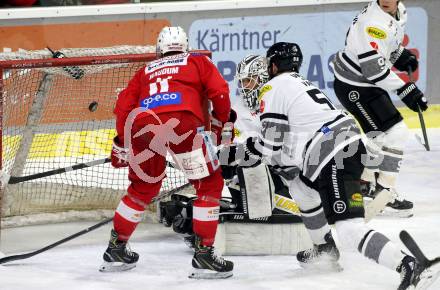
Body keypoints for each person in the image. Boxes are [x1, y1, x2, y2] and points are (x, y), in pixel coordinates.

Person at [220, 42, 438, 290]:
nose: (244, 87)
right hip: (340, 147)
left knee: (349, 230)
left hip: (333, 153)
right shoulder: (295, 84)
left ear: (269, 69)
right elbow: (285, 147)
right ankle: (325, 249)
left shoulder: (273, 87)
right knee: (300, 187)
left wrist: (231, 155)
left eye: (249, 81)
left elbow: (271, 144)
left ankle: (408, 265)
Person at [101, 26, 234, 279]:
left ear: (159, 48)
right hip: (182, 122)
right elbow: (219, 92)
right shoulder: (197, 60)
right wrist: (222, 121)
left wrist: (121, 142)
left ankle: (116, 247)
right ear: (185, 46)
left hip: (142, 126)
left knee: (142, 188)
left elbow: (124, 108)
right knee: (208, 184)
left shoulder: (145, 71)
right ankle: (205, 253)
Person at [331, 0, 428, 218]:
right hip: (354, 85)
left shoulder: (399, 12)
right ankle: (380, 190)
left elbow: (387, 43)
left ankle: (368, 185)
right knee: (389, 134)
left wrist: (399, 55)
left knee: (383, 136)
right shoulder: (373, 22)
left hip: (364, 82)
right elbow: (374, 70)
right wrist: (407, 91)